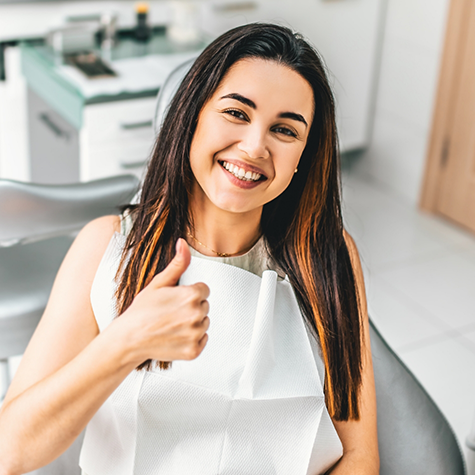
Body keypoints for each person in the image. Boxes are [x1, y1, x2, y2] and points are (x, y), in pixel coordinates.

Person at [0, 23, 379, 475]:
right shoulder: (108, 246)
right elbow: (11, 451)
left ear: (303, 157)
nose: (255, 146)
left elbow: (359, 453)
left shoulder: (328, 256)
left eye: (284, 130)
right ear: (192, 115)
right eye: (237, 113)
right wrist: (125, 342)